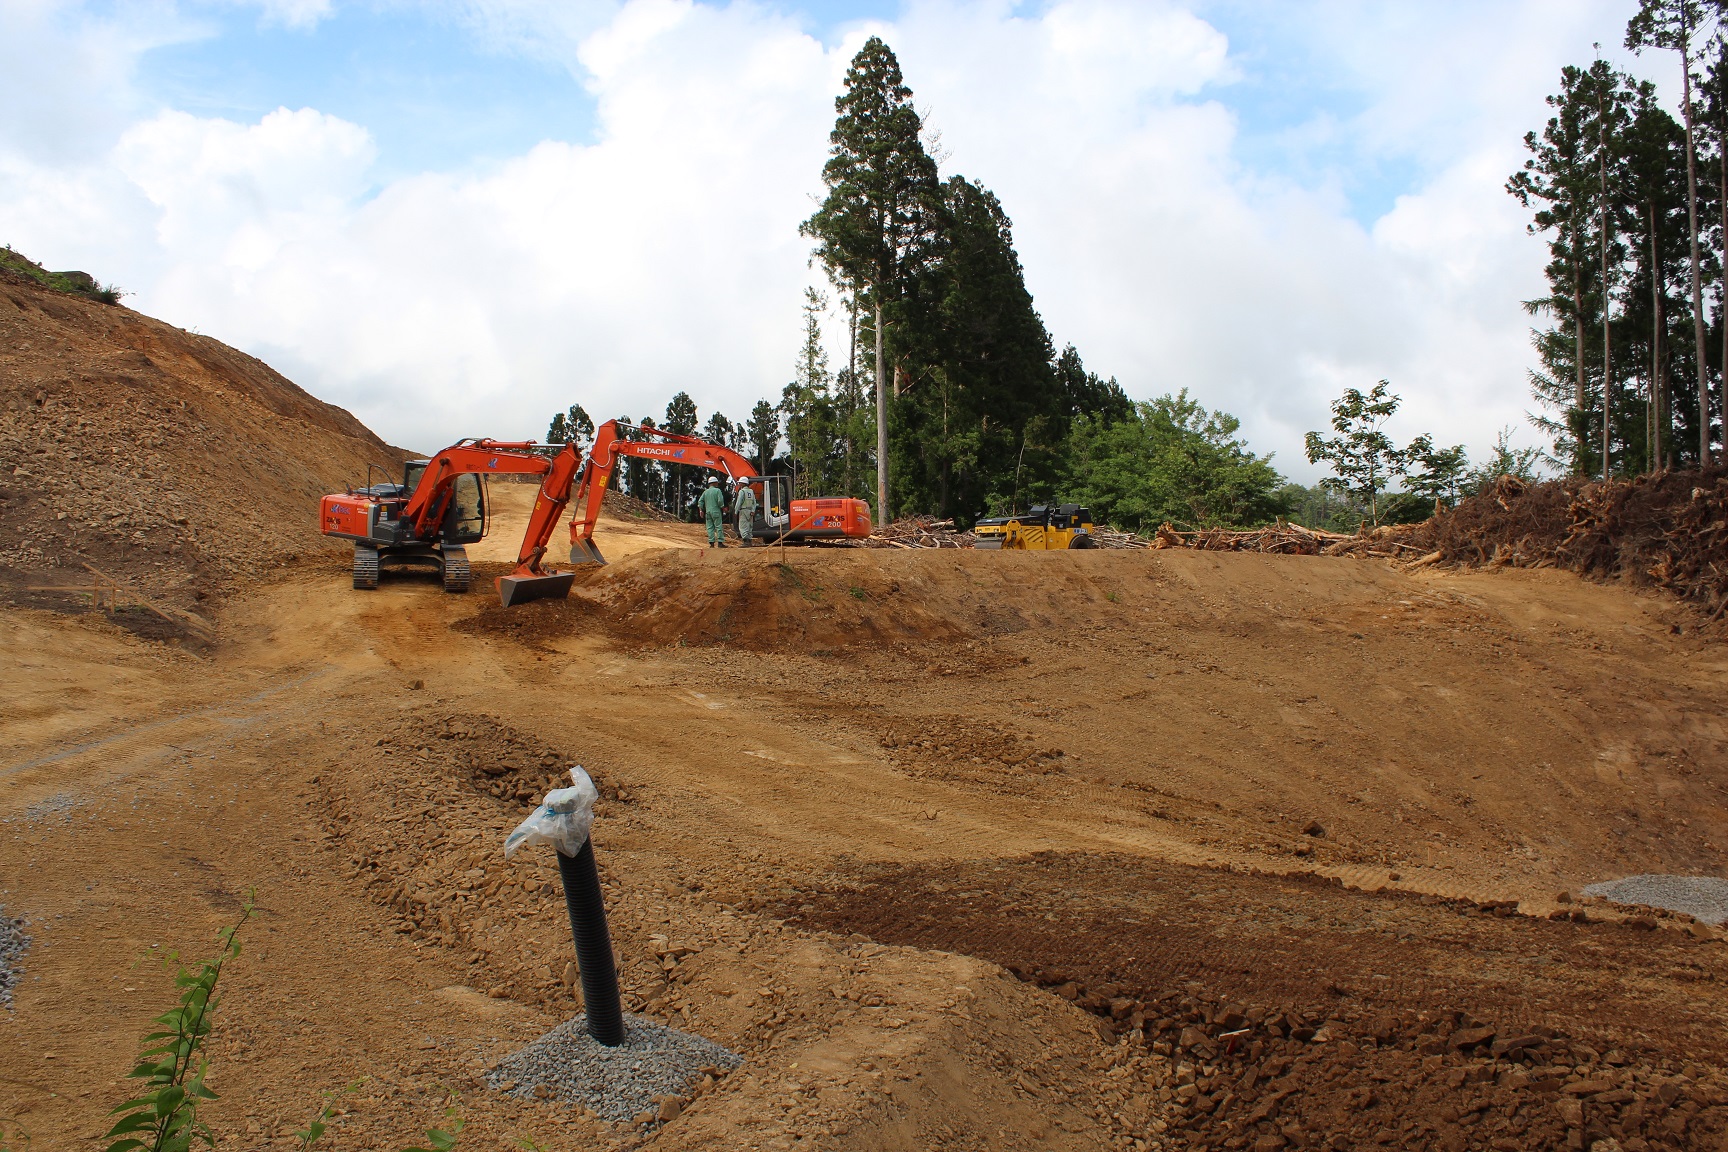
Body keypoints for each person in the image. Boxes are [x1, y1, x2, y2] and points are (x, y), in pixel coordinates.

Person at [699, 476, 726, 547]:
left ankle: (711, 543)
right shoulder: (717, 491)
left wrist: (701, 510)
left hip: (708, 512)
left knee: (710, 527)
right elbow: (720, 501)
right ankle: (720, 542)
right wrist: (723, 508)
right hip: (716, 511)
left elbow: (700, 501)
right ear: (714, 483)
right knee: (718, 526)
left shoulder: (705, 492)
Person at [733, 479, 758, 546]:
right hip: (750, 511)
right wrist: (753, 511)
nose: (739, 484)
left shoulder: (742, 491)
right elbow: (754, 502)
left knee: (743, 527)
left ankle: (746, 542)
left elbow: (739, 502)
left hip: (743, 511)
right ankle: (749, 541)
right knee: (749, 526)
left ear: (743, 484)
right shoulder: (751, 491)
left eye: (740, 483)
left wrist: (736, 511)